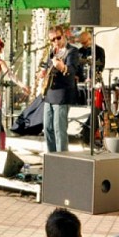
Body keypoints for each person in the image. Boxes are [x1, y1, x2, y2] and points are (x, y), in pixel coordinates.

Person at [38, 25, 80, 153]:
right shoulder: (52, 51)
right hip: (49, 93)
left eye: (58, 38)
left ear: (64, 36)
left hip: (62, 93)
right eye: (52, 39)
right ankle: (52, 156)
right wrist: (42, 72)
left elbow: (72, 70)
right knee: (47, 127)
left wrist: (62, 67)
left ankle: (62, 158)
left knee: (59, 128)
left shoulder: (72, 51)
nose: (55, 41)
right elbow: (46, 67)